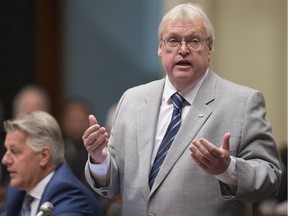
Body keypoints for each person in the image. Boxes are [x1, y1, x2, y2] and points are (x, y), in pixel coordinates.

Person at [82, 3, 282, 216]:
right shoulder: (132, 100)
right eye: (173, 40)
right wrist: (99, 159)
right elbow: (111, 185)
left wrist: (228, 170)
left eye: (194, 41)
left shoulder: (243, 102)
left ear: (210, 49)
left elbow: (271, 179)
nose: (183, 49)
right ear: (160, 48)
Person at [1, 111, 103, 215]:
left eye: (14, 151)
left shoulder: (69, 196)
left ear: (44, 156)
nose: (5, 160)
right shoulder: (17, 190)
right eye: (7, 150)